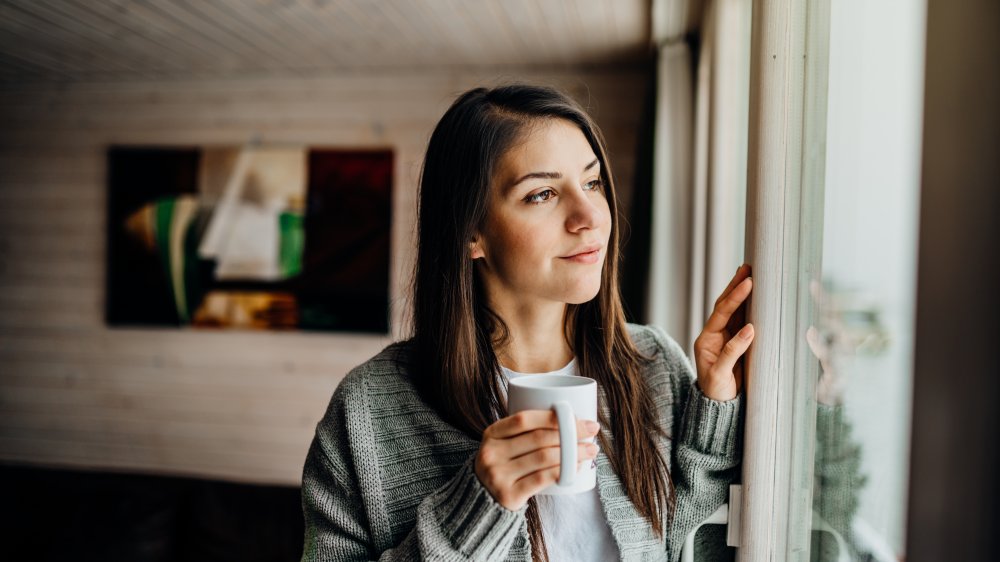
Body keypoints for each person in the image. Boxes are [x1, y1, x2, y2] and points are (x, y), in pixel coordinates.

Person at [300, 84, 755, 562]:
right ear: (470, 232)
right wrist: (476, 507)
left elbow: (688, 544)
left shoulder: (655, 365)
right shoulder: (368, 410)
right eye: (542, 193)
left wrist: (715, 408)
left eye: (593, 183)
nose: (589, 217)